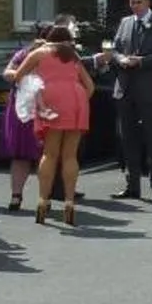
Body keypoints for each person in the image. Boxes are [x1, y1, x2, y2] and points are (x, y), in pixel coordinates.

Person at [101, 0, 152, 202]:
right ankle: (132, 185)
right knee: (128, 139)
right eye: (131, 2)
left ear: (148, 2)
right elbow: (112, 48)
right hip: (124, 89)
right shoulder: (125, 23)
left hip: (148, 89)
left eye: (138, 2)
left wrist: (142, 61)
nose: (134, 6)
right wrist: (119, 58)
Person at [31, 25, 96, 228]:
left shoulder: (40, 53)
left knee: (50, 154)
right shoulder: (73, 56)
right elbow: (90, 86)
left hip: (52, 101)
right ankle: (69, 202)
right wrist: (78, 102)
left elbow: (20, 76)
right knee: (70, 155)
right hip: (76, 103)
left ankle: (43, 200)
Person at [0, 21, 50, 211]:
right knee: (21, 154)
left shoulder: (57, 56)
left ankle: (45, 197)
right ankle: (16, 195)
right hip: (24, 107)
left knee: (47, 154)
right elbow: (8, 73)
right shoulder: (24, 53)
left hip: (46, 105)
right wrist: (26, 69)